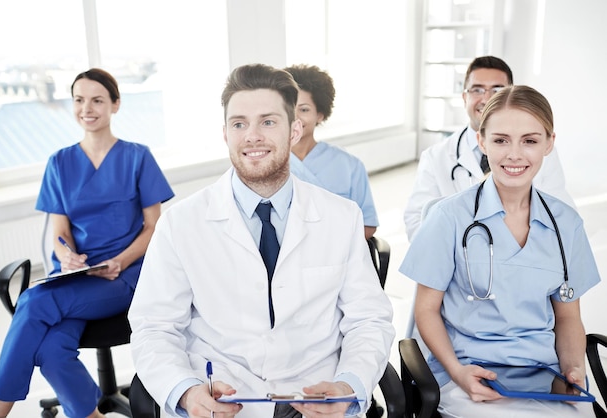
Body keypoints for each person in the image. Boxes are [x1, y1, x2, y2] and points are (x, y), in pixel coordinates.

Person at [128, 63, 395, 418]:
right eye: (239, 124)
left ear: (295, 129)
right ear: (225, 133)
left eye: (268, 121)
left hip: (316, 398)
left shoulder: (341, 217)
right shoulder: (181, 223)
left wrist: (349, 385)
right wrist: (186, 391)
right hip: (223, 400)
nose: (252, 136)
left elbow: (368, 320)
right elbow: (154, 327)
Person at [0, 68, 174, 418]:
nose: (87, 107)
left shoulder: (137, 157)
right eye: (79, 100)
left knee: (32, 302)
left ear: (115, 105)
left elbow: (154, 227)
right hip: (76, 275)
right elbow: (60, 233)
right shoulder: (60, 162)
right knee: (53, 349)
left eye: (97, 100)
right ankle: (90, 415)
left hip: (125, 274)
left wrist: (119, 260)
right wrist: (67, 256)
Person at [399, 85, 600, 417]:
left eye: (530, 141)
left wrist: (573, 370)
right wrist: (458, 372)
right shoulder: (449, 217)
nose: (514, 155)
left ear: (549, 143)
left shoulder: (567, 224)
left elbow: (567, 317)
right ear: (482, 141)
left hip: (542, 376)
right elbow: (426, 311)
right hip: (466, 373)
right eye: (501, 140)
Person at [403, 56, 574, 241]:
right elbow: (417, 221)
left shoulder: (539, 151)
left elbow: (561, 215)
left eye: (497, 90)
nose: (487, 98)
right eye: (477, 90)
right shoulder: (436, 157)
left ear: (511, 95)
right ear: (464, 97)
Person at [284, 64, 379, 239]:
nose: (294, 117)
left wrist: (331, 247)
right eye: (288, 108)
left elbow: (368, 224)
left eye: (304, 109)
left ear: (320, 114)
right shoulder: (266, 163)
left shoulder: (350, 165)